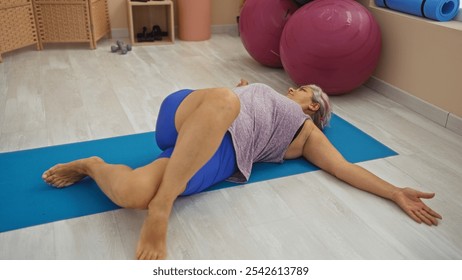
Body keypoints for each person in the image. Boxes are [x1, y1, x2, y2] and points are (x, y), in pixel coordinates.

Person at [42, 79, 442, 260]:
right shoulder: (258, 90)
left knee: (132, 195)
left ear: (314, 105)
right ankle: (162, 208)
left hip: (219, 154)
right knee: (224, 100)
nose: (292, 89)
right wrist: (239, 90)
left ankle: (92, 166)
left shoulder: (306, 132)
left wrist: (394, 191)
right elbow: (224, 100)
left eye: (301, 89)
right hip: (189, 114)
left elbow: (341, 168)